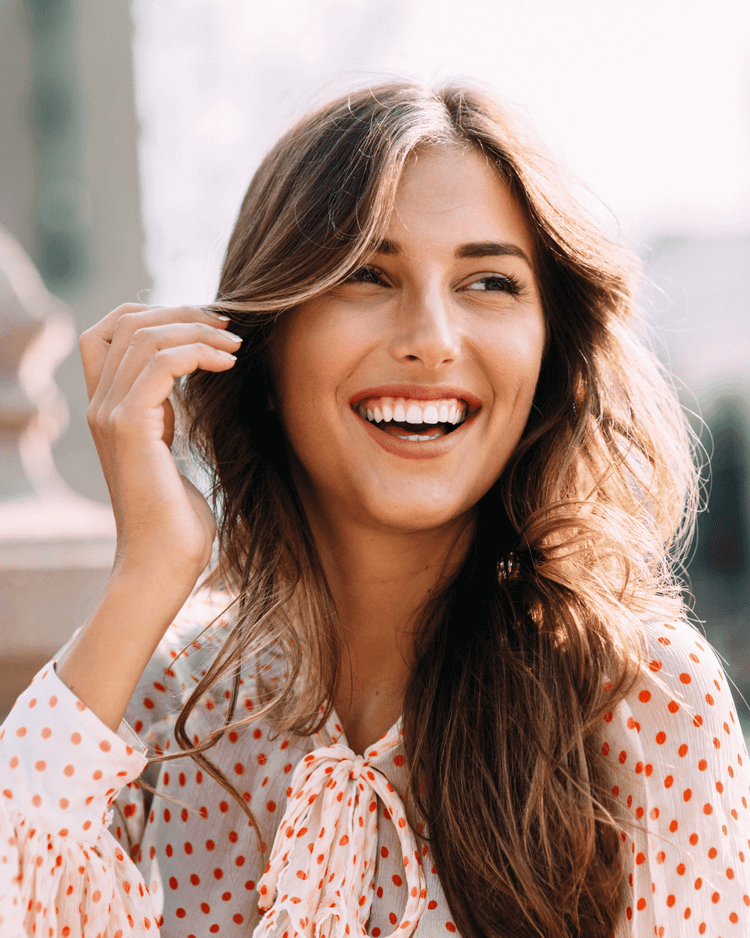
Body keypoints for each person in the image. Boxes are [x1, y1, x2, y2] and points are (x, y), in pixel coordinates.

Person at [0, 81, 747, 938]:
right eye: (366, 274)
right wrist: (146, 575)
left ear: (552, 354)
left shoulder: (639, 694)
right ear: (264, 338)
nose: (430, 336)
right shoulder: (160, 702)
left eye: (490, 282)